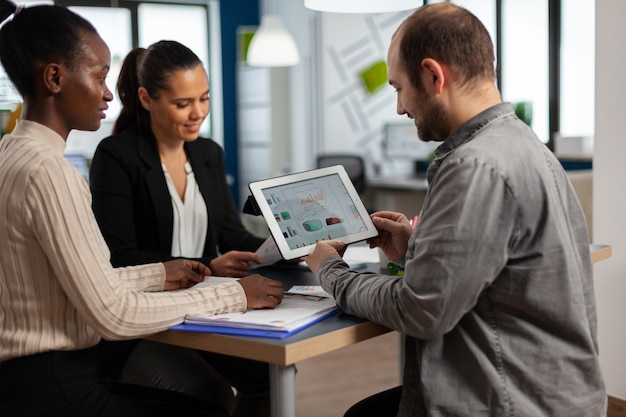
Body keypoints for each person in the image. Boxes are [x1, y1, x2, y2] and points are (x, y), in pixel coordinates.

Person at [305, 3, 606, 417]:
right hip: (553, 394)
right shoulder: (524, 144)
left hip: (510, 401)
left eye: (398, 88)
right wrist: (416, 249)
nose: (399, 107)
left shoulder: (474, 166)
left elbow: (421, 310)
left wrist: (330, 271)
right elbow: (495, 272)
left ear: (432, 76)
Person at [0, 2, 283, 417]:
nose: (109, 93)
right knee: (213, 404)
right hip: (56, 385)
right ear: (55, 78)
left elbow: (83, 279)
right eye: (99, 77)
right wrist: (234, 294)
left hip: (26, 379)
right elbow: (113, 313)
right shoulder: (50, 171)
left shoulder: (11, 153)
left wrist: (158, 272)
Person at [89, 41, 271, 416]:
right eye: (183, 103)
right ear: (146, 98)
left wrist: (286, 247)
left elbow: (231, 235)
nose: (198, 113)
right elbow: (119, 257)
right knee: (210, 394)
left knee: (266, 375)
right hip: (141, 323)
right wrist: (209, 265)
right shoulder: (116, 156)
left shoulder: (208, 154)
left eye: (204, 99)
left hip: (202, 309)